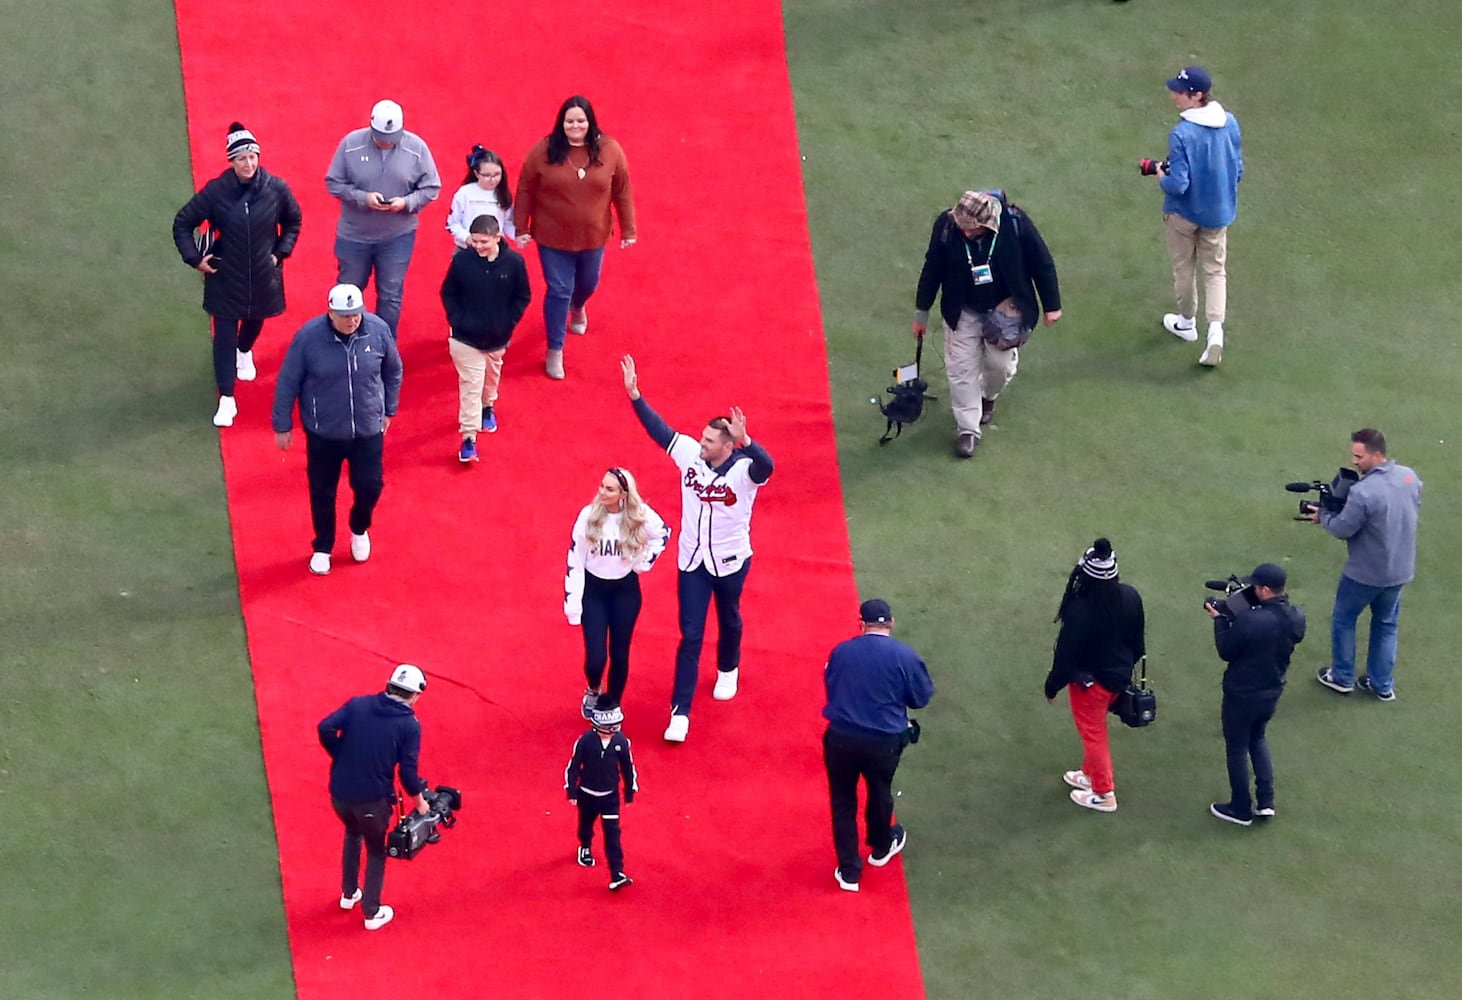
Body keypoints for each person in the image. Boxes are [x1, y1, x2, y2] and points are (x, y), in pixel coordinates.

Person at [620, 355, 773, 743]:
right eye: (702, 438)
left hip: (732, 560)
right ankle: (681, 713)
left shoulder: (743, 471)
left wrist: (749, 441)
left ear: (727, 445)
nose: (701, 443)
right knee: (690, 634)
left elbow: (767, 467)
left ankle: (728, 666)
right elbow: (662, 432)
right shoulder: (690, 454)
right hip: (692, 562)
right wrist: (636, 396)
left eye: (709, 441)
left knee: (730, 617)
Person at [913, 189, 1062, 458]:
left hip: (1005, 310)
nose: (965, 232)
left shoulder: (1015, 223)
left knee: (1000, 367)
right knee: (960, 370)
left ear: (987, 224)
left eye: (971, 229)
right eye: (962, 227)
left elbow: (1042, 262)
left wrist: (1052, 306)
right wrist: (921, 313)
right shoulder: (947, 226)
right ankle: (968, 429)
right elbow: (932, 267)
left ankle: (987, 396)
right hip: (962, 310)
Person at [172, 122, 302, 427]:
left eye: (253, 156)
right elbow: (182, 222)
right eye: (241, 158)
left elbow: (293, 221)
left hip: (263, 275)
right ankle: (227, 399)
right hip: (225, 277)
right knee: (224, 337)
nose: (249, 163)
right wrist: (194, 258)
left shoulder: (276, 189)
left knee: (255, 321)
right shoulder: (217, 192)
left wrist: (279, 253)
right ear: (231, 161)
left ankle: (245, 352)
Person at [271, 284, 403, 576]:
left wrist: (389, 408)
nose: (351, 320)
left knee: (370, 486)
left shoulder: (377, 330)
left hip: (367, 430)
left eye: (356, 314)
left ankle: (359, 527)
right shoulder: (308, 338)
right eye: (345, 316)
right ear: (330, 312)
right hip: (324, 433)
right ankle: (323, 546)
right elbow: (288, 381)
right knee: (322, 491)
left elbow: (393, 370)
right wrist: (282, 424)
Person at [514, 96, 636, 380]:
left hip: (593, 236)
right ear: (562, 123)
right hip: (552, 237)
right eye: (570, 121)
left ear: (590, 122)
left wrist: (628, 229)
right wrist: (521, 227)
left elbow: (622, 190)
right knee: (558, 289)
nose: (575, 126)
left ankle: (578, 307)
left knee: (588, 283)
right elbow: (525, 190)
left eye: (581, 120)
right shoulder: (544, 150)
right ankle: (555, 349)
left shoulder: (610, 150)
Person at [822, 599, 935, 892]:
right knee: (880, 790)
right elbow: (920, 698)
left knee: (843, 802)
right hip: (883, 742)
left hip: (841, 738)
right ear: (891, 624)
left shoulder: (842, 651)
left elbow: (831, 685)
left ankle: (849, 872)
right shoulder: (905, 656)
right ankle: (881, 846)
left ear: (861, 624)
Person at [317, 663, 432, 931]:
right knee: (377, 851)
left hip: (340, 794)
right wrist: (420, 801)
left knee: (352, 833)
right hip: (372, 800)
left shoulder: (358, 705)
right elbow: (407, 772)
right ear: (415, 695)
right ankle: (371, 911)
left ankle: (349, 894)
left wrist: (341, 755)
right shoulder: (408, 725)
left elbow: (325, 727)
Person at [1311, 429, 1422, 701]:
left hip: (1364, 574)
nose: (1355, 462)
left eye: (1359, 456)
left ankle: (1342, 677)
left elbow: (1342, 528)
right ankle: (1382, 684)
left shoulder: (1362, 492)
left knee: (1344, 620)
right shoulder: (1409, 476)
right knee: (1386, 625)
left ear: (1377, 454)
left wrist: (1323, 515)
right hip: (1399, 571)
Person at [1043, 538, 1145, 814]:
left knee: (1093, 734)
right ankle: (1089, 775)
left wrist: (1053, 686)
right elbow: (1138, 644)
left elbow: (1066, 656)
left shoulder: (1080, 610)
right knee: (1095, 729)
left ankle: (1103, 792)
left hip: (1091, 684)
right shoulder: (1130, 596)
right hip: (1119, 678)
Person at [325, 99, 441, 338]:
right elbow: (333, 182)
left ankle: (383, 345)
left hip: (397, 237)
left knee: (390, 295)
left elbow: (431, 187)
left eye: (392, 137)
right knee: (349, 291)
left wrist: (406, 203)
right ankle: (342, 344)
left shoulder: (416, 148)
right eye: (380, 136)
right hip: (354, 235)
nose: (386, 142)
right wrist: (362, 198)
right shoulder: (350, 144)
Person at [1152, 66, 1243, 367]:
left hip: (1183, 214)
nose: (1174, 95)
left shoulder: (1181, 134)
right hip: (1219, 213)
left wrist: (1160, 176)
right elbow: (1238, 170)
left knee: (1184, 269)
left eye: (1180, 91)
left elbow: (1178, 184)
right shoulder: (1230, 123)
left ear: (1197, 96)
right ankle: (1215, 334)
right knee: (1215, 271)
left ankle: (1186, 323)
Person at [1205, 563, 1306, 826]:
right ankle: (1266, 801)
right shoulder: (1296, 617)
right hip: (1272, 690)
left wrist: (1220, 619)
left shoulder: (1251, 620)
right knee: (1258, 738)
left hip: (1242, 693)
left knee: (1237, 747)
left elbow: (1226, 649)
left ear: (1264, 589)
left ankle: (1240, 808)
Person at [565, 467, 670, 715]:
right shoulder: (588, 516)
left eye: (609, 489)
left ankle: (613, 702)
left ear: (624, 493)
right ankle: (594, 687)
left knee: (620, 653)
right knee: (596, 658)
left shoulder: (638, 514)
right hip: (594, 593)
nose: (602, 492)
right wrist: (573, 603)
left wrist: (643, 561)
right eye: (601, 486)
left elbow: (663, 533)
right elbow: (575, 560)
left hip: (625, 592)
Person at [439, 215, 532, 463]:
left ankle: (488, 406)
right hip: (464, 339)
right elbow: (448, 292)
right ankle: (469, 437)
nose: (478, 246)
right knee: (471, 385)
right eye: (475, 241)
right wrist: (457, 320)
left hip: (497, 339)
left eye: (483, 242)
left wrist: (508, 322)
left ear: (497, 237)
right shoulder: (461, 261)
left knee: (491, 376)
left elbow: (523, 296)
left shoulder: (514, 263)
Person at [564, 705, 638, 892]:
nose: (610, 734)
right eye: (607, 730)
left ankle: (617, 873)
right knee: (586, 825)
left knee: (613, 834)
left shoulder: (621, 742)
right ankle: (585, 846)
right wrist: (572, 791)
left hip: (610, 797)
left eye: (614, 729)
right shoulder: (585, 741)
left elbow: (628, 768)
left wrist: (629, 791)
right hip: (587, 794)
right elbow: (573, 767)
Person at [445, 145, 516, 247]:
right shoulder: (464, 193)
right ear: (477, 173)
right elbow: (452, 224)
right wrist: (468, 238)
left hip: (495, 249)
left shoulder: (503, 194)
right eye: (487, 175)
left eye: (497, 174)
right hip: (468, 249)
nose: (493, 179)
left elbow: (507, 223)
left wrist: (517, 235)